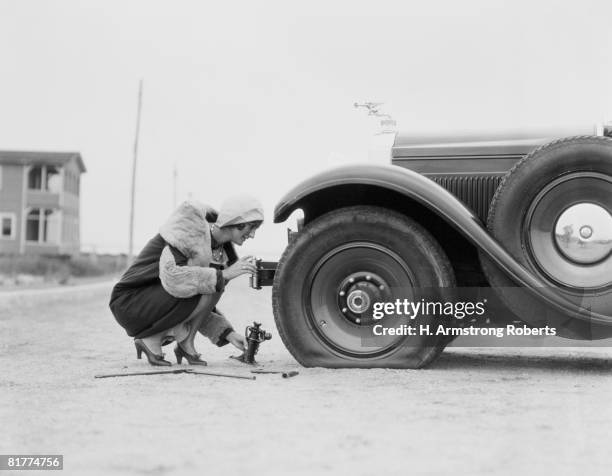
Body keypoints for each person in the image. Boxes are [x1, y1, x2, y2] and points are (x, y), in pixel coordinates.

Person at [109, 196, 263, 366]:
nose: (253, 234)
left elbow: (198, 301)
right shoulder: (190, 230)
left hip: (156, 300)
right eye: (252, 227)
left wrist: (227, 333)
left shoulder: (222, 252)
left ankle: (186, 343)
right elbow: (174, 279)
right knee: (213, 281)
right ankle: (151, 339)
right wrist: (223, 275)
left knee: (213, 284)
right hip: (131, 301)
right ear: (237, 222)